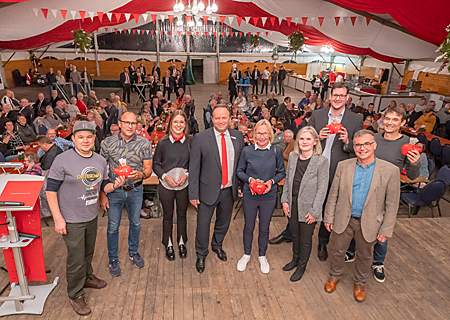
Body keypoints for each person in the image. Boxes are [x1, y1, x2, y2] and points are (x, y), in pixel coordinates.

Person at [268, 82, 363, 257]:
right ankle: (290, 233)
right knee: (298, 200)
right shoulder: (317, 115)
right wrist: (317, 137)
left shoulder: (356, 119)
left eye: (342, 95)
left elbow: (359, 148)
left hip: (335, 171)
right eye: (335, 94)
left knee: (327, 206)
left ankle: (322, 243)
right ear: (330, 96)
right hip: (310, 168)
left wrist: (348, 142)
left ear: (347, 98)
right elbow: (304, 136)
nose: (337, 98)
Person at [46, 121, 125, 316]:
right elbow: (50, 190)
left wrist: (115, 185)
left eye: (89, 136)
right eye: (80, 136)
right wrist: (57, 218)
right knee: (76, 257)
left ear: (94, 139)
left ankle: (87, 277)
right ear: (73, 139)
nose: (85, 140)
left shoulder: (99, 160)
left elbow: (103, 185)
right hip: (71, 218)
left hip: (90, 215)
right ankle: (75, 293)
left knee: (88, 252)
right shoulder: (62, 160)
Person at [323, 130, 400, 303]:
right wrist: (328, 217)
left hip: (371, 223)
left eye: (366, 144)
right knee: (336, 251)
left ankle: (360, 283)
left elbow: (392, 204)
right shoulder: (343, 166)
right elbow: (333, 193)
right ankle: (334, 276)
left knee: (365, 255)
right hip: (344, 219)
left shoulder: (390, 171)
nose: (362, 148)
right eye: (358, 144)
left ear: (374, 145)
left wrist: (386, 229)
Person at [345, 106, 420, 282]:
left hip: (387, 195)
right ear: (382, 119)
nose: (390, 123)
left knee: (381, 230)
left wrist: (415, 163)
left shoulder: (408, 143)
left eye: (395, 120)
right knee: (358, 222)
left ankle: (378, 261)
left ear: (403, 123)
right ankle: (352, 249)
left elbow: (412, 175)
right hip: (364, 189)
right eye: (387, 118)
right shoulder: (373, 139)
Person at [189, 106, 244, 273]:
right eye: (217, 118)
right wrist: (193, 193)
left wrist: (240, 186)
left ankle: (217, 245)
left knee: (223, 223)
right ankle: (201, 253)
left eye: (224, 118)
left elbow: (241, 164)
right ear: (212, 119)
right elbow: (194, 168)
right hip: (206, 191)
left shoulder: (238, 136)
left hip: (229, 190)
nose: (221, 121)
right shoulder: (200, 138)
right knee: (203, 225)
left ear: (230, 119)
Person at [100, 112, 152, 277]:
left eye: (133, 123)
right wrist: (102, 194)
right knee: (113, 226)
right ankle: (113, 259)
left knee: (135, 224)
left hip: (136, 190)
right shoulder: (107, 143)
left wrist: (141, 175)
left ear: (137, 125)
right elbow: (101, 170)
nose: (130, 126)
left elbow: (148, 170)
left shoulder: (144, 143)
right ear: (120, 124)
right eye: (127, 122)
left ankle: (133, 252)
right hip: (114, 191)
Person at [236, 120, 285, 274]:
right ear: (254, 133)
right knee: (248, 226)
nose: (262, 136)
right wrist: (249, 180)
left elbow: (282, 173)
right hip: (250, 194)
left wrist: (271, 181)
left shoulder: (276, 151)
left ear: (270, 134)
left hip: (268, 196)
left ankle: (262, 255)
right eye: (259, 133)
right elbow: (239, 171)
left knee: (264, 227)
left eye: (265, 133)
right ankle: (246, 254)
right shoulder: (247, 151)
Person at [281, 127, 328, 281]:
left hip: (309, 208)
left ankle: (302, 265)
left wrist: (315, 211)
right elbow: (288, 180)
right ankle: (295, 259)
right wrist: (285, 200)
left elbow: (322, 188)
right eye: (302, 138)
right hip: (292, 204)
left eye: (308, 139)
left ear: (315, 141)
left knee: (305, 239)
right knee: (294, 235)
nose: (305, 142)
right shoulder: (293, 157)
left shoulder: (321, 161)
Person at [153, 110, 191, 261]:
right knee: (167, 216)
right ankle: (168, 242)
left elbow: (195, 163)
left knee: (182, 214)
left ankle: (181, 242)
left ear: (185, 125)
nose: (178, 125)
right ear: (170, 124)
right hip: (166, 185)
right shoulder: (163, 143)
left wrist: (186, 175)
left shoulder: (190, 142)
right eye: (175, 122)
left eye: (181, 122)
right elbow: (156, 164)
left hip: (184, 185)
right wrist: (165, 176)